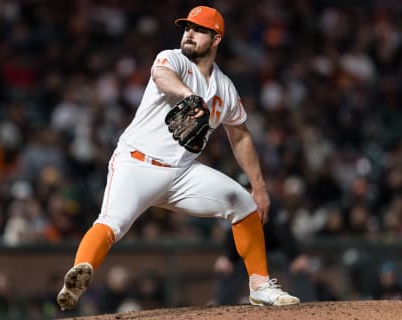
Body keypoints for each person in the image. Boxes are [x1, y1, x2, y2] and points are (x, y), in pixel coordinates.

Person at [57, 5, 300, 311]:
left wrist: (259, 186)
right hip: (136, 164)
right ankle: (79, 277)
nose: (189, 33)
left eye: (199, 29)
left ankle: (260, 286)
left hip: (181, 174)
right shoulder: (173, 59)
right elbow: (161, 75)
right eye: (187, 27)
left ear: (216, 39)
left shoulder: (224, 87)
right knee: (112, 223)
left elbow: (240, 135)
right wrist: (189, 96)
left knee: (244, 204)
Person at [213, 198, 315, 305]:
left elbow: (283, 232)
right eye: (245, 188)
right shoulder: (239, 204)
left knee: (298, 265)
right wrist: (227, 257)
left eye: (250, 188)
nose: (248, 192)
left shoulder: (270, 203)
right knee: (228, 267)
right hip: (250, 254)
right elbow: (233, 233)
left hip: (275, 251)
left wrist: (295, 256)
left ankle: (308, 304)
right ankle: (221, 306)